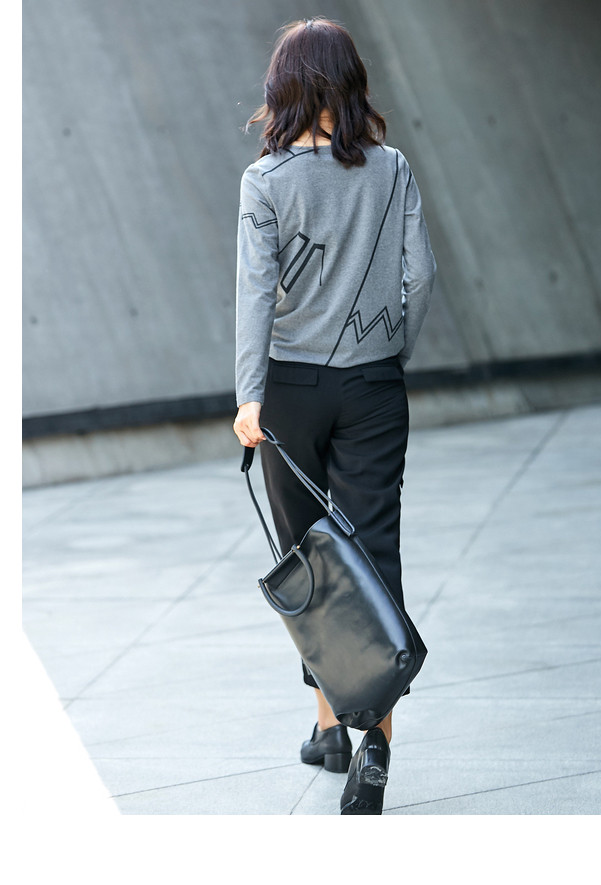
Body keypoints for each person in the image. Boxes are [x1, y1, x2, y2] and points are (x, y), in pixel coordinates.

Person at [233, 17, 436, 815]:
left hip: (288, 391)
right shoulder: (393, 168)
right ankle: (370, 738)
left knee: (310, 558)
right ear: (351, 84)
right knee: (372, 553)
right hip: (373, 383)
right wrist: (390, 355)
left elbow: (256, 291)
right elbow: (420, 276)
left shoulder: (266, 181)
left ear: (283, 89)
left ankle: (329, 728)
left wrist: (249, 394)